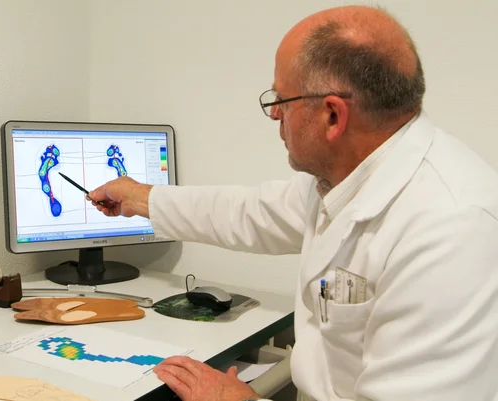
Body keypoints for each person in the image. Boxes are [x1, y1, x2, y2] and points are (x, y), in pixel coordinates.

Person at [88, 5, 498, 401]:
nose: (273, 117)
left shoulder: (450, 228)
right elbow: (250, 212)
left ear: (333, 116)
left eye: (280, 101)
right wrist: (140, 198)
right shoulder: (349, 177)